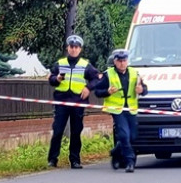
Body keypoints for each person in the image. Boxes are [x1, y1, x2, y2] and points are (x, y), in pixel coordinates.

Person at [47, 35, 103, 168]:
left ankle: (75, 160)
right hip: (62, 102)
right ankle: (52, 159)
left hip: (78, 102)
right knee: (58, 130)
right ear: (68, 48)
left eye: (76, 47)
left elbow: (98, 79)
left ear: (80, 49)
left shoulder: (85, 65)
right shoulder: (60, 64)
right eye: (71, 47)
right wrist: (57, 79)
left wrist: (88, 88)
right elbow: (51, 79)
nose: (73, 49)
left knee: (76, 131)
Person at [95, 48, 147, 172]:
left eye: (124, 60)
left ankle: (116, 152)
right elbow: (97, 92)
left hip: (131, 108)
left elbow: (144, 89)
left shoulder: (135, 73)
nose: (122, 63)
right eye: (119, 61)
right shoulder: (108, 74)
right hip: (117, 110)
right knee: (124, 134)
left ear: (127, 61)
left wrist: (142, 90)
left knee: (132, 136)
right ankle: (129, 161)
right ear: (115, 61)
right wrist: (107, 92)